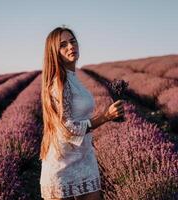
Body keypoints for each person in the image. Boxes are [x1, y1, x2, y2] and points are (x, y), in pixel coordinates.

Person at [39, 26, 124, 200]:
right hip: (63, 164)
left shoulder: (73, 78)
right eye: (63, 45)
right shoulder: (58, 83)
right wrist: (106, 116)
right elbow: (67, 128)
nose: (71, 46)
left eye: (73, 41)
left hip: (84, 159)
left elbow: (80, 118)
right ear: (54, 53)